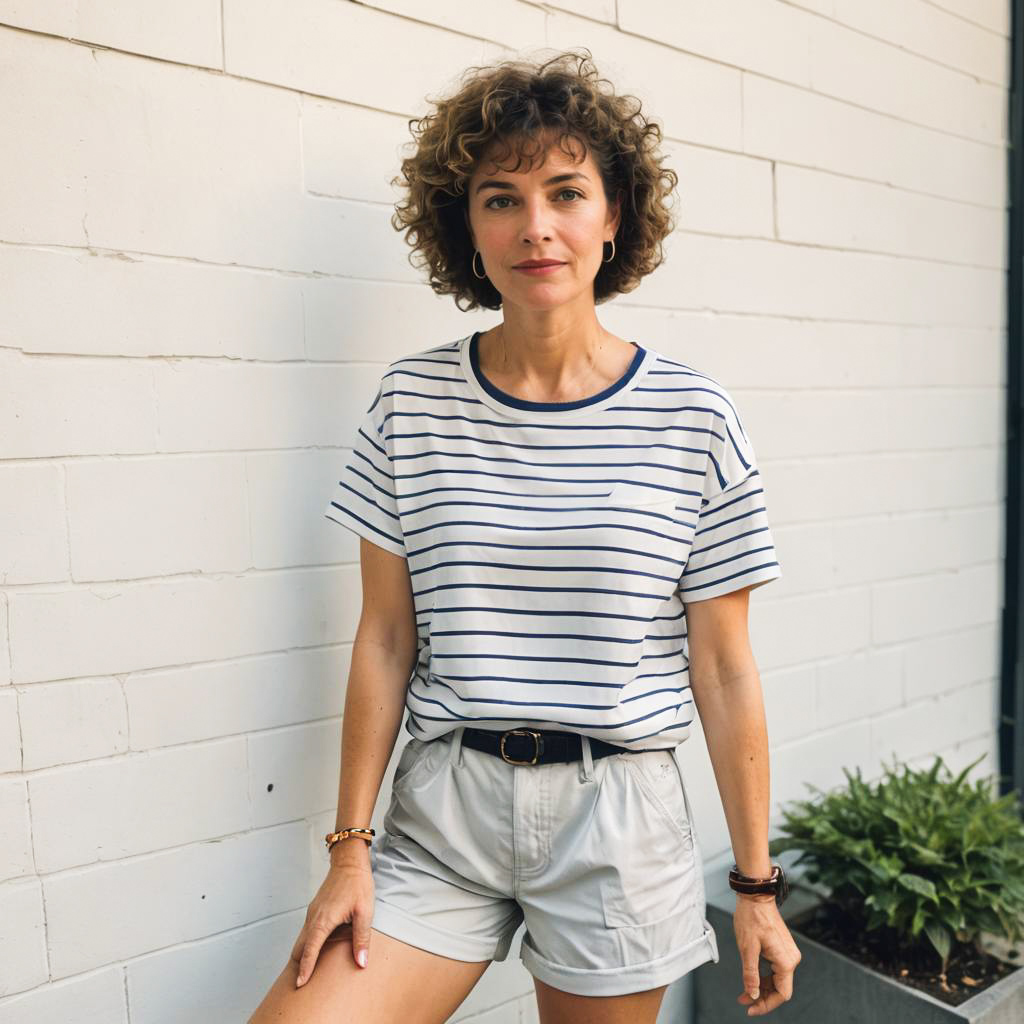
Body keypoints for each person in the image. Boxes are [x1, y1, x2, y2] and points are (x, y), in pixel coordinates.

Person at [250, 48, 801, 1024]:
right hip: (443, 815)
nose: (535, 226)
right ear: (466, 225)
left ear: (614, 213)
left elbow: (723, 667)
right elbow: (385, 636)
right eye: (500, 198)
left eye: (565, 191)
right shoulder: (411, 403)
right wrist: (348, 846)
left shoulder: (693, 417)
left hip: (615, 819)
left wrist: (756, 888)